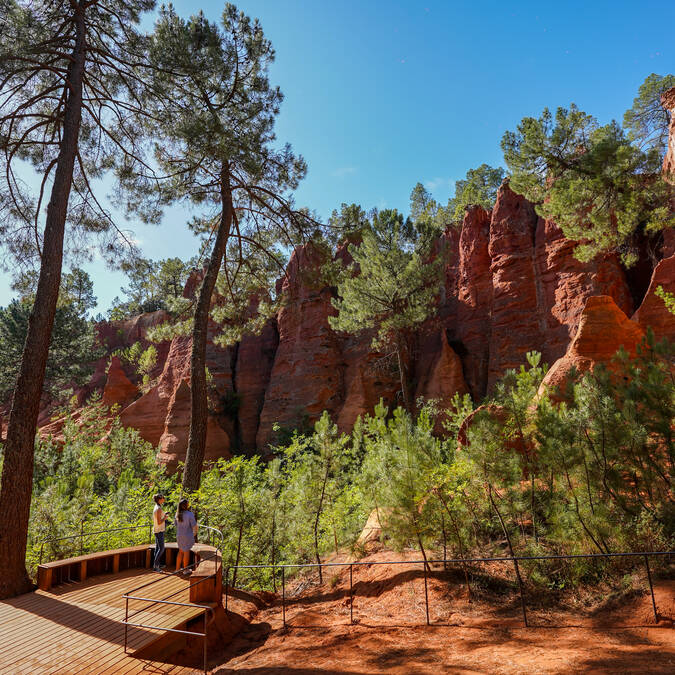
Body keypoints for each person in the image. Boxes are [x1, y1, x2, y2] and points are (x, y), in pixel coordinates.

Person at [175, 498, 198, 575]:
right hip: (187, 535)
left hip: (179, 535)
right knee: (186, 551)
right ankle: (185, 570)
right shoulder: (189, 514)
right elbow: (194, 526)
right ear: (186, 505)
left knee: (180, 551)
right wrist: (194, 534)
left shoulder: (177, 514)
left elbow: (176, 525)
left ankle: (177, 569)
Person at [152, 494, 171, 571]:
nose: (164, 498)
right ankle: (156, 566)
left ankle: (157, 564)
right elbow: (159, 522)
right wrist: (165, 517)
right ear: (159, 499)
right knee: (161, 548)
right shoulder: (159, 508)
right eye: (163, 498)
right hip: (159, 530)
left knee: (157, 548)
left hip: (157, 530)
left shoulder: (157, 507)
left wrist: (164, 514)